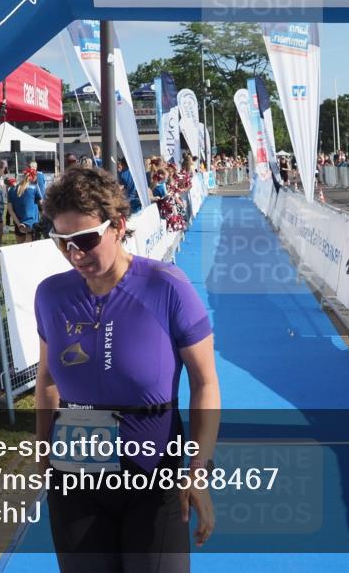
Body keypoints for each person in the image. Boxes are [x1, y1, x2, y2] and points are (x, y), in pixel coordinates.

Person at [34, 168, 219, 571]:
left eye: (85, 239)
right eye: (62, 242)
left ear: (118, 226)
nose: (75, 254)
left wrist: (198, 471)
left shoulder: (166, 286)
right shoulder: (51, 295)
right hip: (75, 476)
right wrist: (42, 452)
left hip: (155, 476)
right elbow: (47, 381)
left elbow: (205, 383)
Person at [7, 168, 43, 245]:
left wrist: (18, 223)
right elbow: (42, 204)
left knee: (20, 248)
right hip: (32, 223)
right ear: (34, 177)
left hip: (18, 224)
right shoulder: (34, 188)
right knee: (31, 249)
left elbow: (10, 209)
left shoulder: (11, 190)